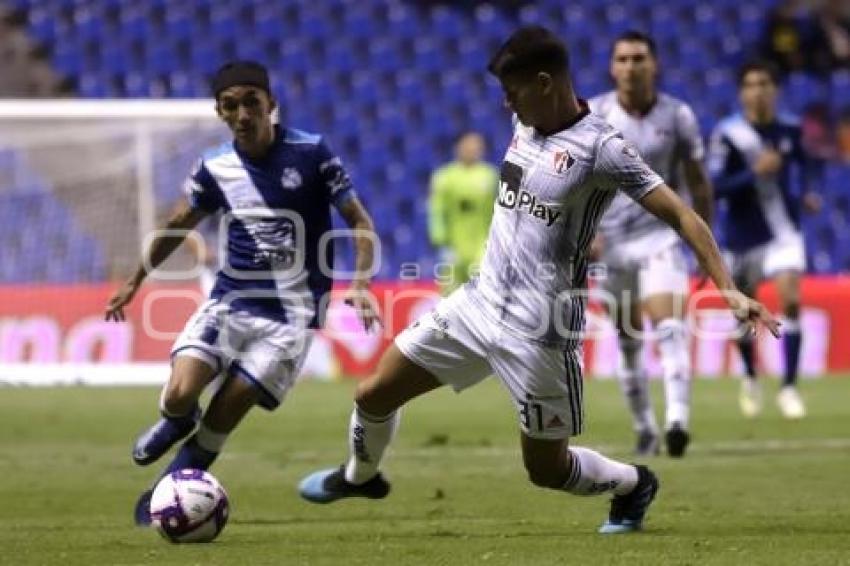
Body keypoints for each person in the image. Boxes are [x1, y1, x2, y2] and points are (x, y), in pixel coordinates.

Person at [297, 27, 779, 534]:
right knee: (372, 393)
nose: (506, 102)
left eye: (514, 91)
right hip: (479, 303)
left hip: (541, 331)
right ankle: (360, 477)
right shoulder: (524, 122)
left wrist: (726, 287)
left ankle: (633, 484)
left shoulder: (602, 149)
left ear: (545, 83)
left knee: (546, 470)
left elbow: (683, 214)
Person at [104, 61, 380, 525]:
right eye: (230, 105)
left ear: (271, 104)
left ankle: (167, 491)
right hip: (231, 303)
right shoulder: (214, 167)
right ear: (220, 113)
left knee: (224, 414)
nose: (243, 113)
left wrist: (362, 284)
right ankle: (175, 418)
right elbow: (176, 225)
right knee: (179, 394)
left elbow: (359, 220)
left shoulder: (312, 153)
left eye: (252, 101)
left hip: (291, 320)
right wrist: (134, 279)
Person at [588, 31, 714, 458]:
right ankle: (644, 427)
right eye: (622, 59)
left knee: (670, 329)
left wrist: (704, 244)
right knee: (627, 341)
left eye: (639, 58)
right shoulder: (595, 114)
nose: (630, 66)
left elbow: (698, 181)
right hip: (611, 244)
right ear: (612, 66)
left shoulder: (678, 115)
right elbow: (578, 182)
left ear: (654, 64)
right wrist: (585, 235)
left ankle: (677, 421)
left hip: (659, 237)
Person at [708, 60, 820, 419]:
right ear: (742, 92)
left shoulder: (790, 128)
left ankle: (788, 387)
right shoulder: (728, 134)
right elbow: (716, 187)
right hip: (742, 237)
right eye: (751, 84)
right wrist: (753, 173)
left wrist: (805, 192)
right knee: (745, 314)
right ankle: (751, 376)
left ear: (775, 89)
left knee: (791, 300)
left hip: (783, 231)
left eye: (765, 83)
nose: (758, 90)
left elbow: (803, 164)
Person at [428, 132, 499, 293]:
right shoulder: (444, 177)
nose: (473, 149)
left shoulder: (490, 175)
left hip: (482, 244)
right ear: (458, 147)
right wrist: (440, 240)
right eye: (469, 145)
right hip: (454, 246)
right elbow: (437, 211)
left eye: (477, 145)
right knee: (450, 293)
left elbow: (499, 210)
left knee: (483, 290)